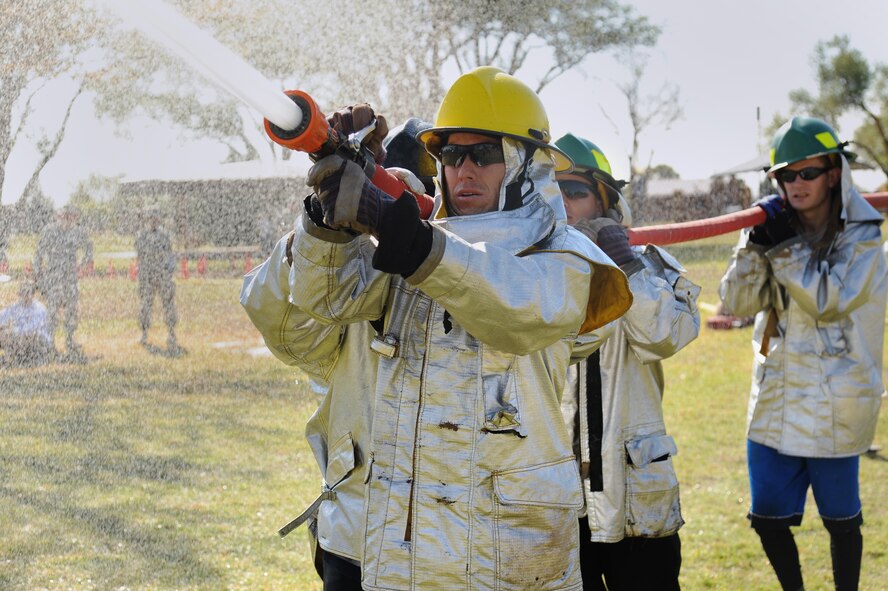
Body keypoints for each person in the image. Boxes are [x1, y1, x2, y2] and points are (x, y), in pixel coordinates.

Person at [241, 66, 633, 590]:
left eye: (483, 154)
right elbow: (321, 311)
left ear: (524, 163)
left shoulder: (564, 255)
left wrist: (404, 231)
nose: (463, 169)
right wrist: (326, 223)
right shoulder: (413, 249)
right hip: (390, 549)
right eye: (450, 155)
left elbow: (516, 306)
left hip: (509, 557)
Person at [720, 116, 888, 591]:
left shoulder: (864, 235)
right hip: (776, 398)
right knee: (767, 520)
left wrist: (784, 250)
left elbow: (829, 300)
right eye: (785, 175)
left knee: (841, 521)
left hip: (836, 398)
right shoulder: (768, 228)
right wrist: (753, 247)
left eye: (806, 172)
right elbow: (735, 303)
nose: (795, 184)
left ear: (834, 172)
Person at [555, 133, 701, 591]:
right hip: (557, 502)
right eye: (550, 187)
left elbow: (662, 335)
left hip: (635, 500)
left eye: (575, 190)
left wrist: (623, 265)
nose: (562, 201)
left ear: (605, 200)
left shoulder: (649, 265)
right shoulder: (527, 273)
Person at [33, 204, 93, 360]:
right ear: (58, 217)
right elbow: (39, 253)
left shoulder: (77, 232)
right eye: (64, 216)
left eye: (70, 217)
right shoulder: (49, 231)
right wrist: (38, 273)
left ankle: (70, 340)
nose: (67, 219)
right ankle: (50, 343)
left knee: (71, 310)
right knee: (52, 312)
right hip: (53, 277)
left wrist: (83, 263)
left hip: (70, 278)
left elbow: (88, 248)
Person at [135, 207, 181, 354]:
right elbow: (139, 256)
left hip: (162, 275)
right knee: (145, 306)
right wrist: (142, 275)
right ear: (147, 220)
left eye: (156, 218)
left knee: (168, 304)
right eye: (151, 218)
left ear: (159, 220)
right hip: (147, 275)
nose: (153, 221)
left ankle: (172, 333)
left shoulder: (165, 236)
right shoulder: (141, 236)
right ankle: (144, 333)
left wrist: (168, 272)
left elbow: (171, 255)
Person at [0, 281, 53, 366]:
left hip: (39, 341)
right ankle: (10, 359)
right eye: (23, 293)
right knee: (3, 334)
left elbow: (33, 329)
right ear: (19, 294)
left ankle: (10, 359)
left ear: (32, 294)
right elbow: (2, 317)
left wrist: (11, 331)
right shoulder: (15, 307)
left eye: (28, 293)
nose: (25, 296)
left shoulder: (39, 309)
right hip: (20, 339)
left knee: (27, 336)